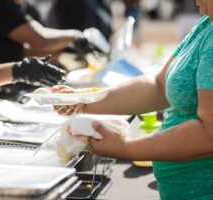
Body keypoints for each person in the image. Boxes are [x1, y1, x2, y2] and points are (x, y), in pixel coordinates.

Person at [53, 0, 213, 199]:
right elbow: (158, 87)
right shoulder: (206, 24)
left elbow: (208, 133)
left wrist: (126, 148)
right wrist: (86, 100)